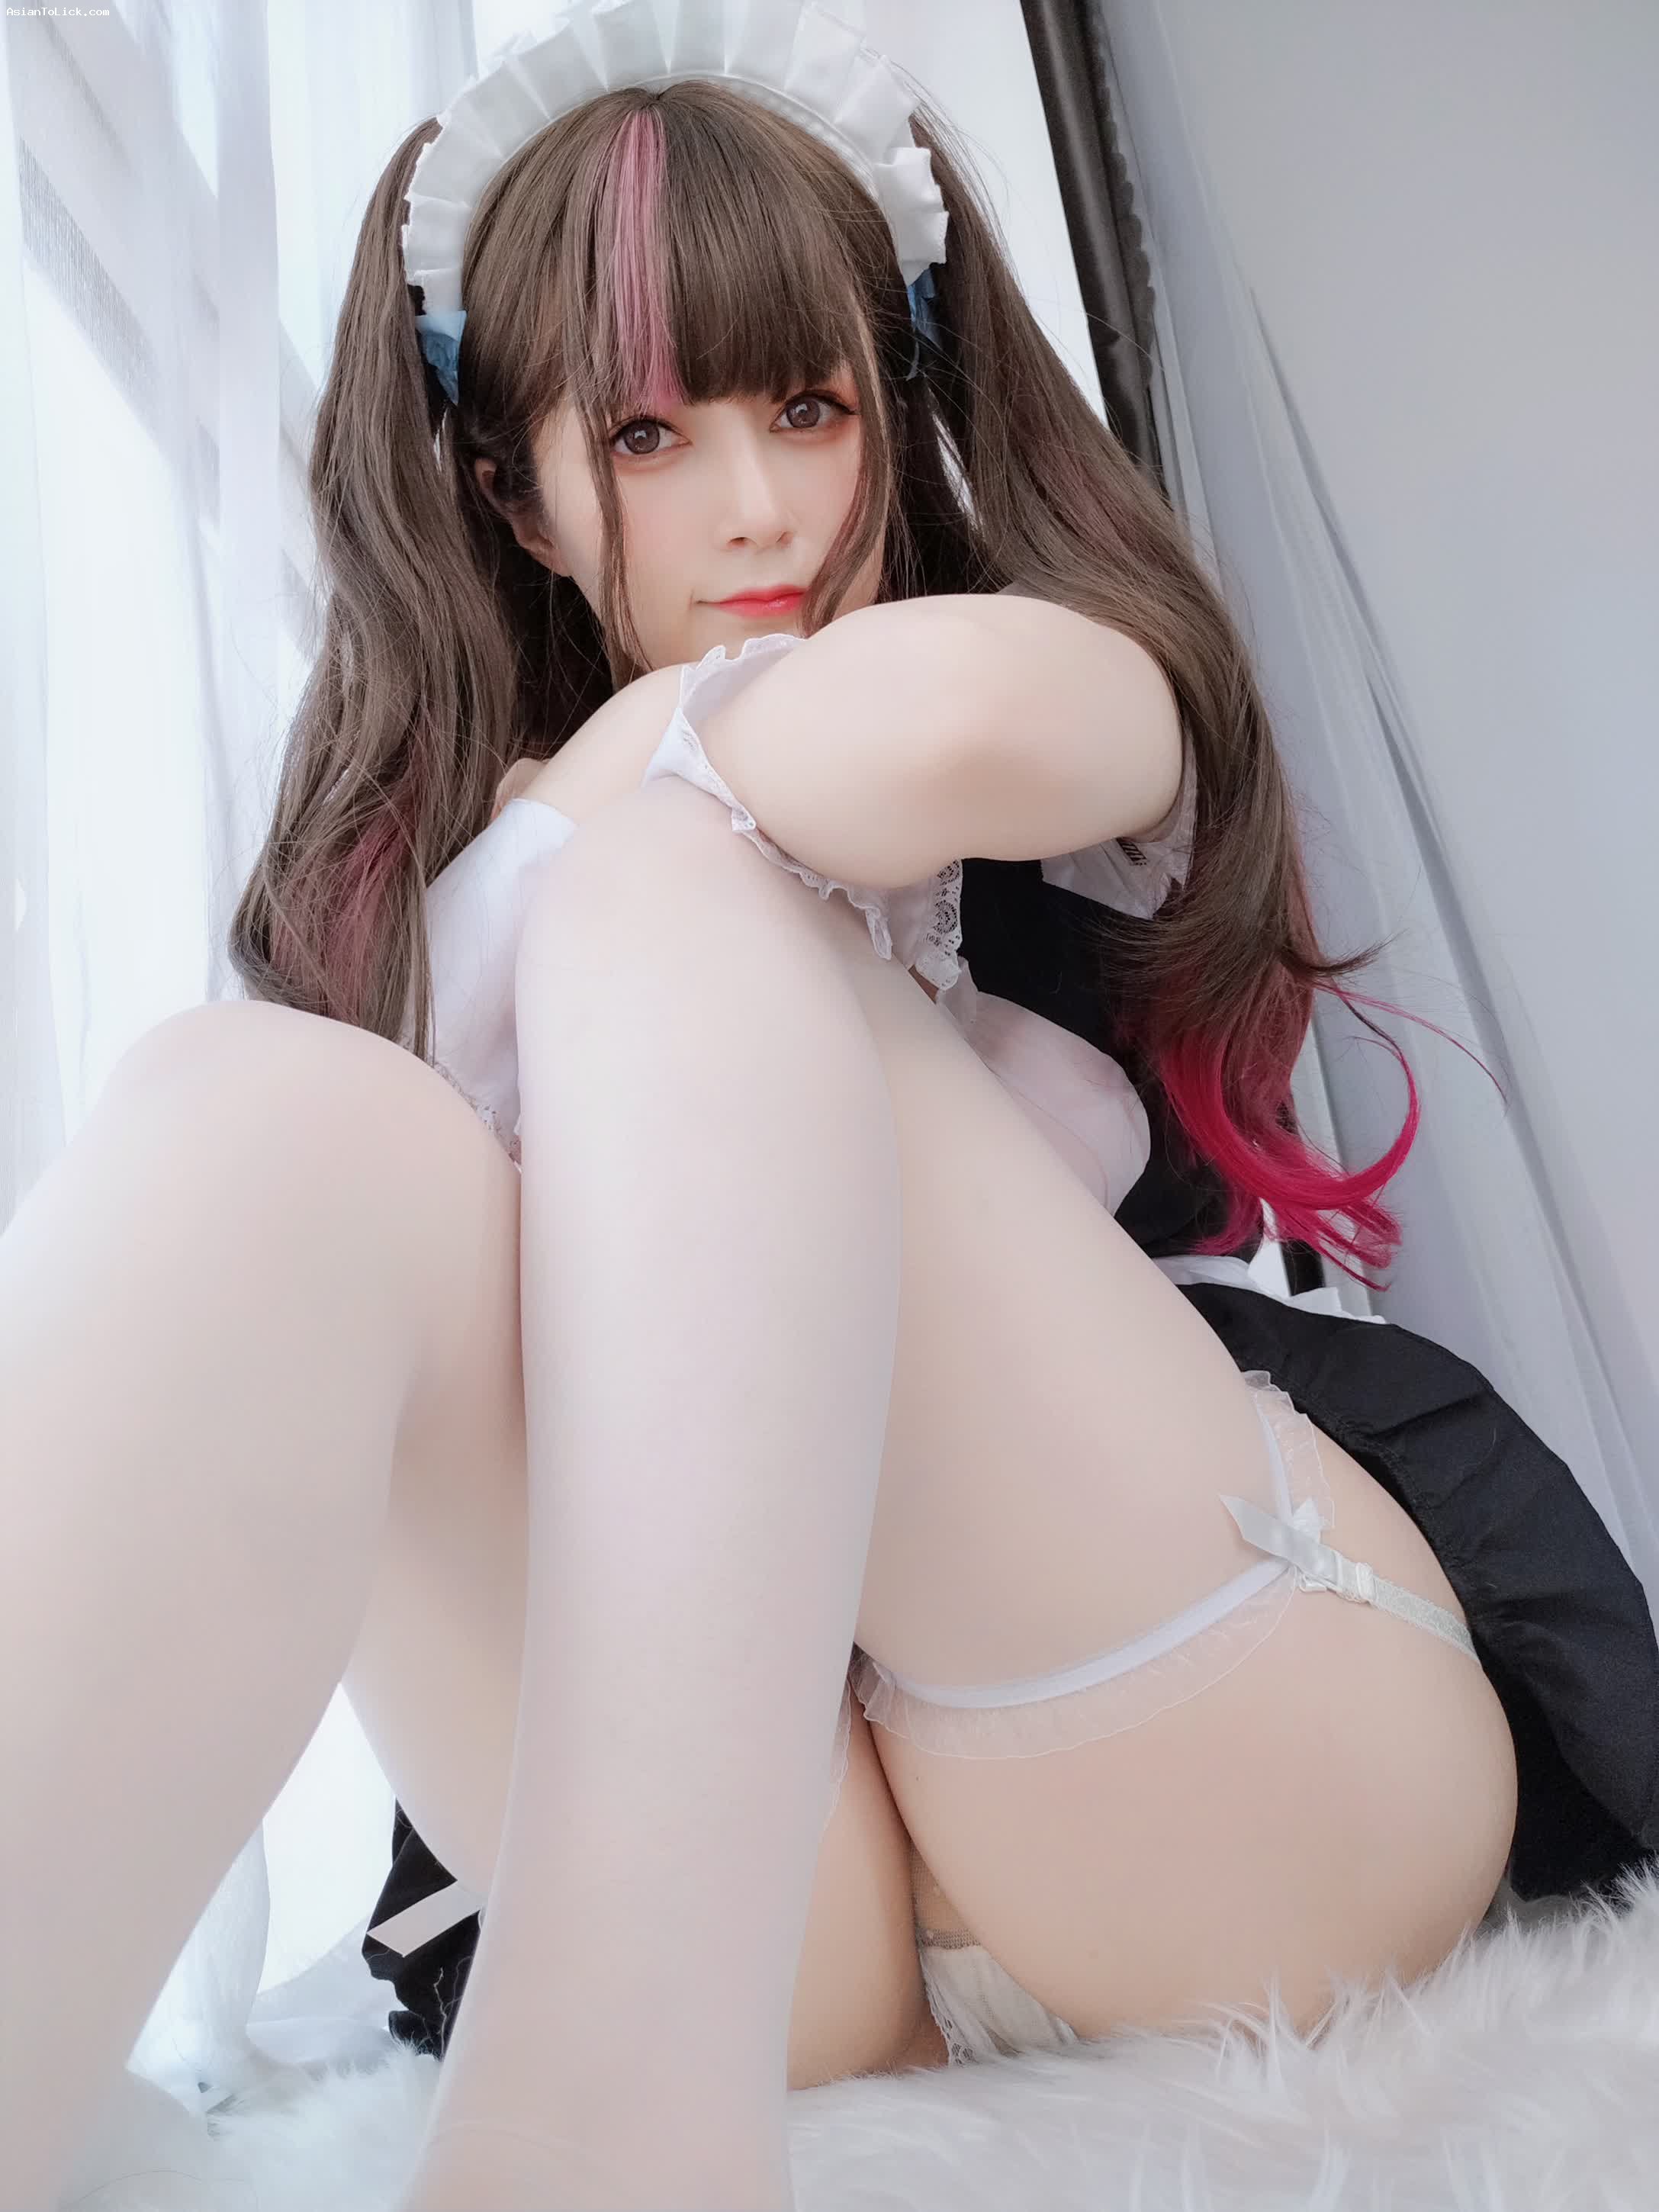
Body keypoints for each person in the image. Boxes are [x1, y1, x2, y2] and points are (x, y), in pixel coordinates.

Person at [2, 5, 1654, 2208]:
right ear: (510, 489)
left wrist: (612, 790)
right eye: (650, 435)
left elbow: (960, 723)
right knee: (243, 1106)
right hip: (769, 1911)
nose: (761, 507)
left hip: (1222, 1769)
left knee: (669, 906)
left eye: (810, 407)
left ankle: (606, 2134)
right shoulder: (411, 888)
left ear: (903, 398)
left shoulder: (1033, 692)